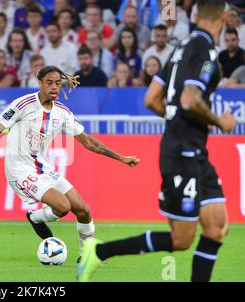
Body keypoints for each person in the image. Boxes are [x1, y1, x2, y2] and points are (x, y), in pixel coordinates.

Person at [78, 0, 237, 283]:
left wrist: (176, 117)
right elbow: (189, 99)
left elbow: (151, 99)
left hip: (194, 151)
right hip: (182, 153)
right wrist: (219, 122)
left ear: (196, 14)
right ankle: (100, 252)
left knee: (216, 228)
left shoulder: (181, 47)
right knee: (181, 240)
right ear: (224, 17)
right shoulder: (206, 50)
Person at [0, 65, 139, 261]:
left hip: (43, 167)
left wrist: (120, 157)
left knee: (83, 210)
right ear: (40, 83)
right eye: (49, 83)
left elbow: (88, 142)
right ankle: (35, 217)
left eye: (58, 83)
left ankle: (86, 254)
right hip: (20, 171)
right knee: (62, 206)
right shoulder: (23, 104)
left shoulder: (62, 112)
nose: (54, 87)